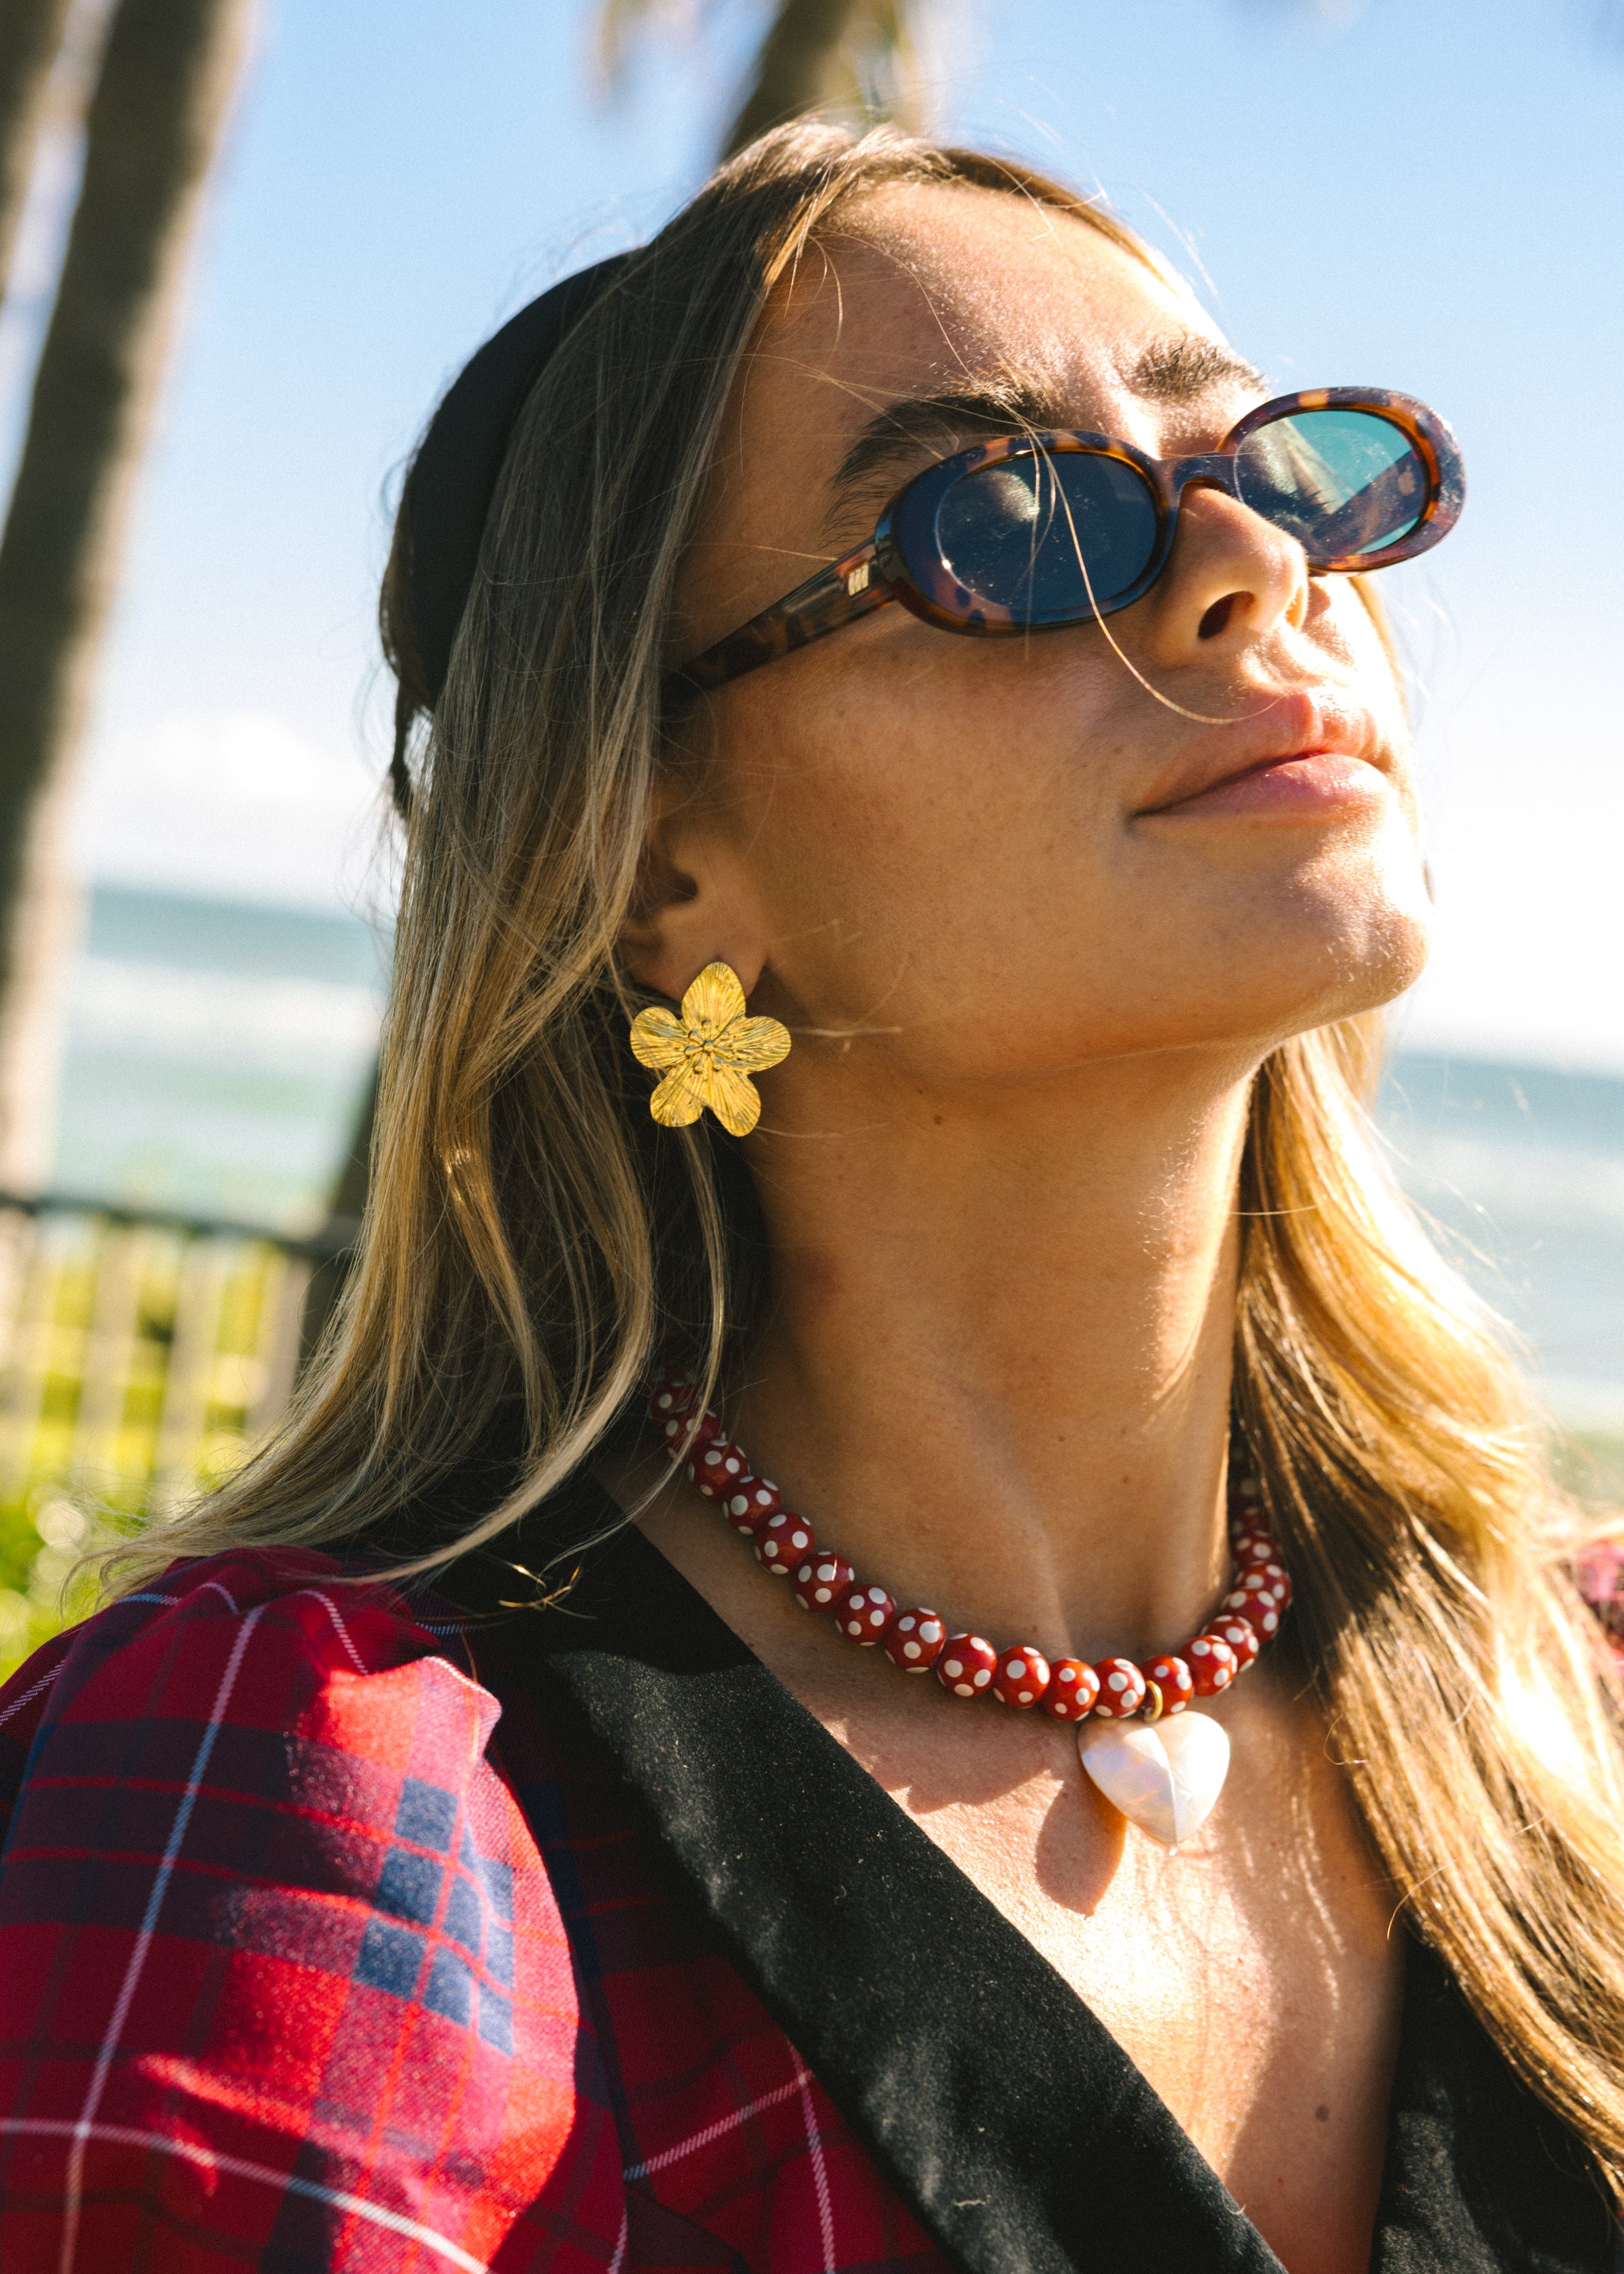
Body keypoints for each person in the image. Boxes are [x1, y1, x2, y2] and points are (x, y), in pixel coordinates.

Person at [0, 123, 1619, 2274]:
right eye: (1018, 518)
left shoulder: (1572, 1707)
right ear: (669, 871)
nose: (1255, 564)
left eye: (1281, 460)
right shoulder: (317, 1821)